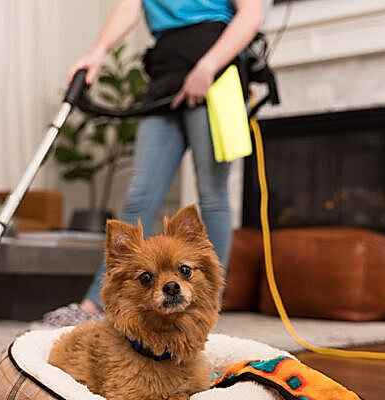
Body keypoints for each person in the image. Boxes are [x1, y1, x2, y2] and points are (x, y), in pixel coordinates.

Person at [44, 0, 264, 326]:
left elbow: (251, 14)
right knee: (140, 197)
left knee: (212, 194)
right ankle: (97, 305)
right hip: (165, 73)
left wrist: (208, 67)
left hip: (217, 70)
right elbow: (129, 8)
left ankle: (207, 307)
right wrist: (98, 51)